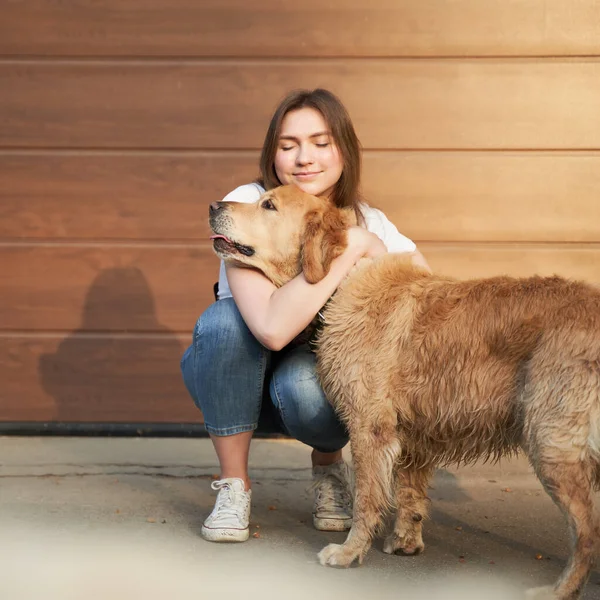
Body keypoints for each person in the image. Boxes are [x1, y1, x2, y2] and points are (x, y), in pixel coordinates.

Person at [180, 88, 429, 543]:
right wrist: (349, 249)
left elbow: (427, 292)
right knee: (222, 324)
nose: (303, 158)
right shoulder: (250, 203)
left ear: (344, 150)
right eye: (287, 144)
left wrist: (364, 239)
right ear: (272, 153)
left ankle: (329, 471)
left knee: (305, 382)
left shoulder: (366, 218)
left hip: (305, 393)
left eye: (320, 142)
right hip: (237, 379)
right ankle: (234, 486)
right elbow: (272, 330)